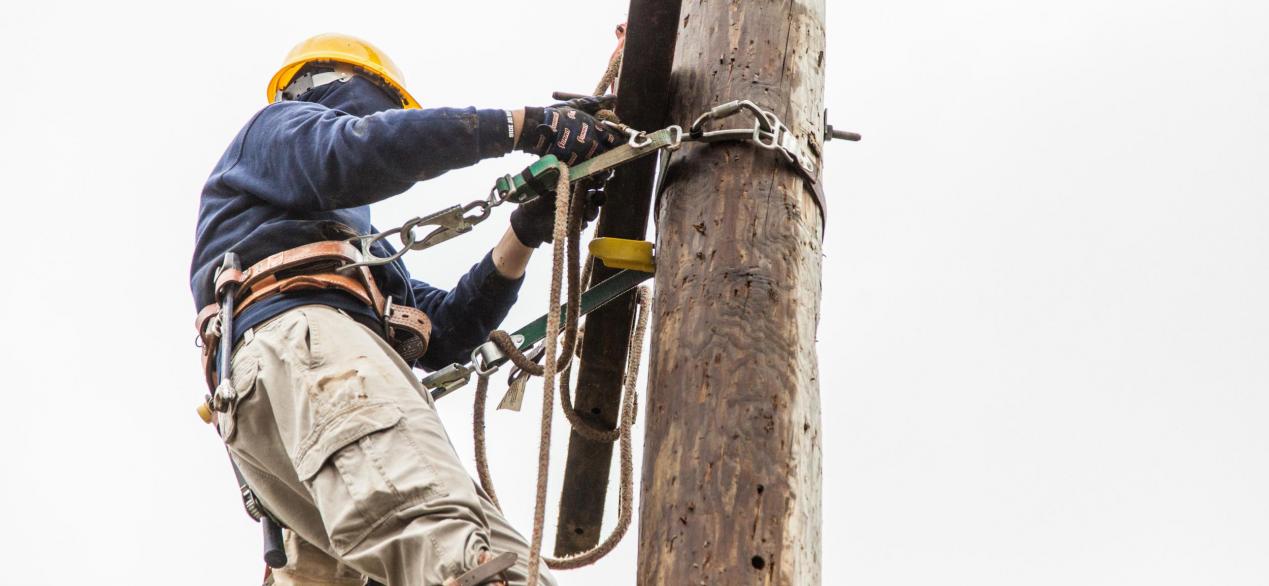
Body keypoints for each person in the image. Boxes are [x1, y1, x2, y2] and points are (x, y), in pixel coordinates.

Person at [190, 33, 621, 586]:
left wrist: (524, 231)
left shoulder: (344, 253)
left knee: (491, 556)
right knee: (447, 542)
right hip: (306, 348)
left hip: (281, 394)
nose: (391, 122)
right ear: (333, 86)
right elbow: (357, 150)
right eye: (387, 109)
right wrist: (524, 125)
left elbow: (443, 331)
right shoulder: (273, 130)